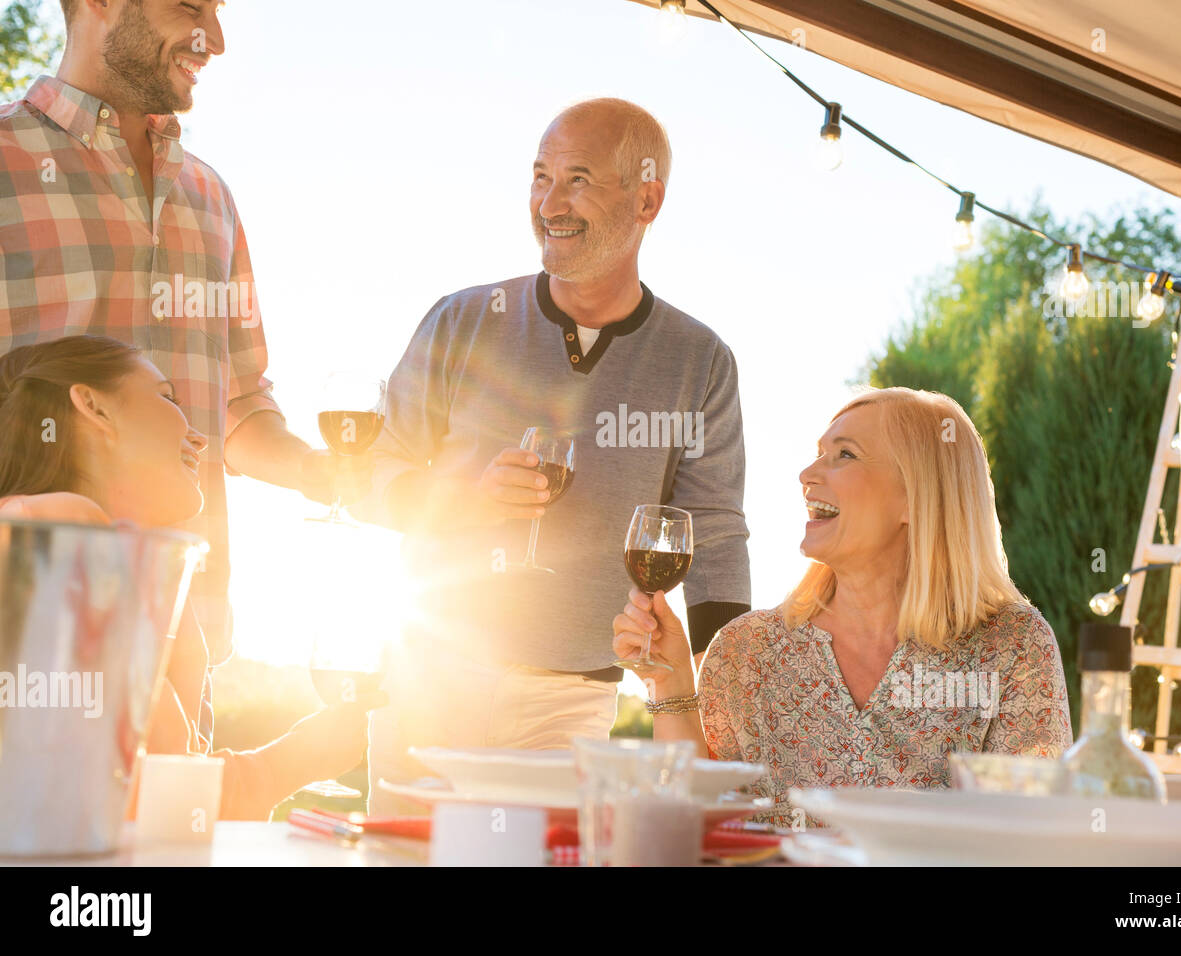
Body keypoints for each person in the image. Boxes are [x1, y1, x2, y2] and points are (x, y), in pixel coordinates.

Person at [358, 98, 751, 811]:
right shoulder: (462, 321)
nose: (549, 202)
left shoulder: (701, 362)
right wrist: (464, 499)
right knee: (403, 857)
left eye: (577, 179)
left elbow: (716, 538)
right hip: (430, 675)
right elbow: (373, 477)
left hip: (571, 702)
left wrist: (724, 714)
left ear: (647, 198)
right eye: (540, 177)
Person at [0, 0, 363, 678]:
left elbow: (241, 406)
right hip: (27, 637)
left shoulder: (210, 197)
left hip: (185, 635)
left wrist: (322, 474)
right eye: (191, 7)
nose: (215, 40)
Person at [613, 387, 1073, 826]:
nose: (807, 475)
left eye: (845, 455)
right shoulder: (745, 650)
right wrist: (669, 681)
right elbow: (695, 824)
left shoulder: (1012, 645)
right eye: (818, 453)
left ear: (916, 495)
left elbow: (1031, 837)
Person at [0, 335, 378, 820]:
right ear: (92, 407)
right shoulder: (59, 530)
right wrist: (295, 760)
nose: (200, 438)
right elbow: (143, 806)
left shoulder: (70, 541)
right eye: (167, 397)